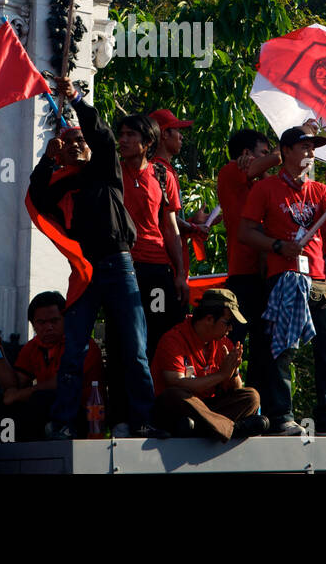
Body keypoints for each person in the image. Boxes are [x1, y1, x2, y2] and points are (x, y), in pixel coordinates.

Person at [28, 76, 159, 439]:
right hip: (83, 271)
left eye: (78, 142)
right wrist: (46, 160)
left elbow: (101, 136)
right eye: (68, 143)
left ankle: (143, 419)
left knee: (134, 348)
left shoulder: (105, 169)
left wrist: (78, 102)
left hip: (119, 264)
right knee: (74, 352)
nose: (74, 147)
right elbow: (37, 198)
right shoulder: (64, 181)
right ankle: (65, 422)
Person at [239, 126, 326, 435]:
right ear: (286, 151)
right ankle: (282, 416)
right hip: (284, 277)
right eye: (304, 147)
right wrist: (278, 245)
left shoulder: (320, 190)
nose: (310, 153)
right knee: (282, 349)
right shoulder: (266, 188)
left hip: (317, 278)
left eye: (312, 148)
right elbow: (246, 232)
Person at [0, 291, 104, 441]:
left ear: (66, 319)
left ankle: (13, 434)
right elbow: (13, 385)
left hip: (82, 415)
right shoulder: (33, 347)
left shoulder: (82, 345)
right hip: (42, 411)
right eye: (41, 323)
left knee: (40, 399)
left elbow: (60, 384)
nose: (49, 327)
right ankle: (15, 434)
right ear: (33, 324)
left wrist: (18, 395)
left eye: (54, 321)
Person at [150, 289, 268, 441]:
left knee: (251, 396)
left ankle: (202, 428)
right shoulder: (173, 339)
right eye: (228, 323)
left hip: (204, 411)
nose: (231, 329)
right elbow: (175, 382)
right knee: (175, 395)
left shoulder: (223, 342)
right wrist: (221, 375)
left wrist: (233, 372)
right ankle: (233, 429)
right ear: (209, 319)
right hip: (181, 408)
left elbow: (236, 390)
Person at [117, 112, 186, 359]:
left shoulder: (162, 175)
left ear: (147, 142)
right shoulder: (112, 171)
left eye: (130, 135)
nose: (123, 140)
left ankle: (159, 394)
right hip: (124, 267)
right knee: (123, 334)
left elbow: (170, 227)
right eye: (121, 135)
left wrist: (180, 274)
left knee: (159, 330)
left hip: (156, 270)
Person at [218, 129, 279, 395]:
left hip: (267, 273)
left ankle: (256, 407)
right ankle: (223, 401)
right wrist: (310, 129)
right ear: (245, 155)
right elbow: (280, 157)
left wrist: (260, 168)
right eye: (261, 153)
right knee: (232, 343)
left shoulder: (261, 182)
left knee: (264, 347)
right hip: (243, 274)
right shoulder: (231, 171)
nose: (267, 158)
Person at [149, 107, 211, 278]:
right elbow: (163, 219)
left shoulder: (166, 170)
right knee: (158, 305)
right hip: (163, 265)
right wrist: (193, 227)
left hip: (172, 266)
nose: (181, 136)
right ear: (163, 134)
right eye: (176, 130)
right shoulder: (157, 170)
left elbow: (168, 218)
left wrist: (191, 222)